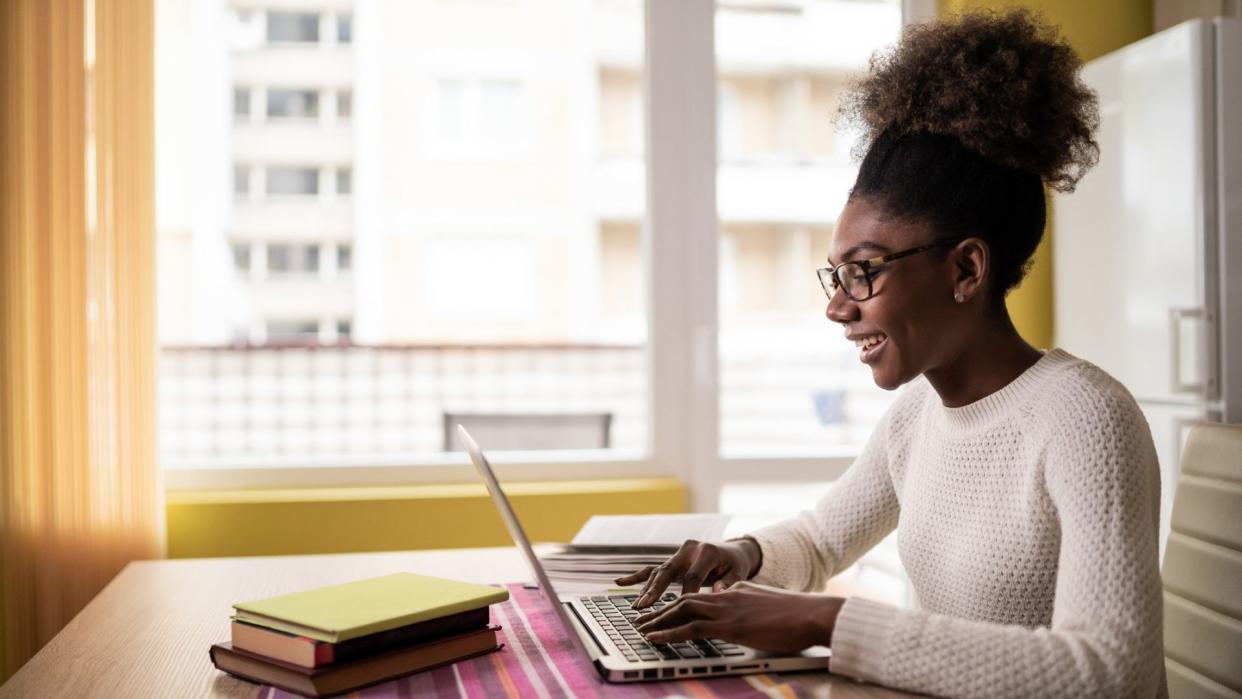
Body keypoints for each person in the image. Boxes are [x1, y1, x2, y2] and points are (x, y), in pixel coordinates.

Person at [618, 9, 1167, 699]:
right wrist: (742, 554)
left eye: (865, 270)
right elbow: (821, 540)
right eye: (836, 273)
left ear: (966, 269)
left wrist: (825, 619)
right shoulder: (917, 417)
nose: (838, 307)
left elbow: (1108, 672)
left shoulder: (1086, 419)